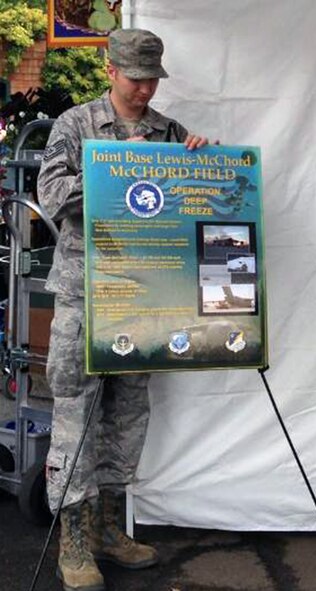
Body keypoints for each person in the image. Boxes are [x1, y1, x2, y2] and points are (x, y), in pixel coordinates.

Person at [37, 28, 213, 591]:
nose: (144, 90)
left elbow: (192, 205)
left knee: (128, 415)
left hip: (144, 296)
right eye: (135, 78)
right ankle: (75, 542)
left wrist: (202, 165)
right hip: (87, 294)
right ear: (110, 70)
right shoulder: (75, 125)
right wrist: (115, 168)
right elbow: (52, 197)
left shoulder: (169, 132)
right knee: (75, 419)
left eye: (152, 79)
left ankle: (111, 529)